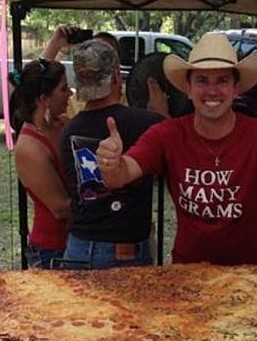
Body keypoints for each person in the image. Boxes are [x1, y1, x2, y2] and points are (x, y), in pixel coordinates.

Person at [96, 33, 257, 266]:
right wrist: (111, 164)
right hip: (190, 275)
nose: (212, 90)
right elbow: (120, 176)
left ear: (236, 88)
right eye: (202, 80)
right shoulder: (166, 135)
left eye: (222, 80)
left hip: (256, 276)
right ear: (188, 88)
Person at [57, 39, 164, 269]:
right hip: (123, 254)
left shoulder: (67, 132)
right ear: (117, 76)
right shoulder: (148, 123)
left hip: (78, 246)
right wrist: (162, 113)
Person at [10, 57, 72, 268]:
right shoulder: (29, 147)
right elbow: (60, 208)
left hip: (73, 242)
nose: (70, 94)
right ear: (44, 99)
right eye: (64, 89)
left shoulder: (62, 125)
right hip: (52, 251)